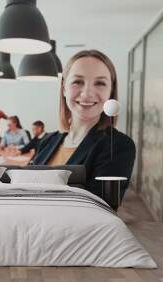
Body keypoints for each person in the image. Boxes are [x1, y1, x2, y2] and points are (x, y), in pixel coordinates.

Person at [32, 50, 136, 200]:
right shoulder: (47, 141)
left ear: (110, 91)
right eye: (78, 82)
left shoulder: (118, 146)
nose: (87, 93)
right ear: (64, 89)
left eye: (100, 83)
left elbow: (100, 208)